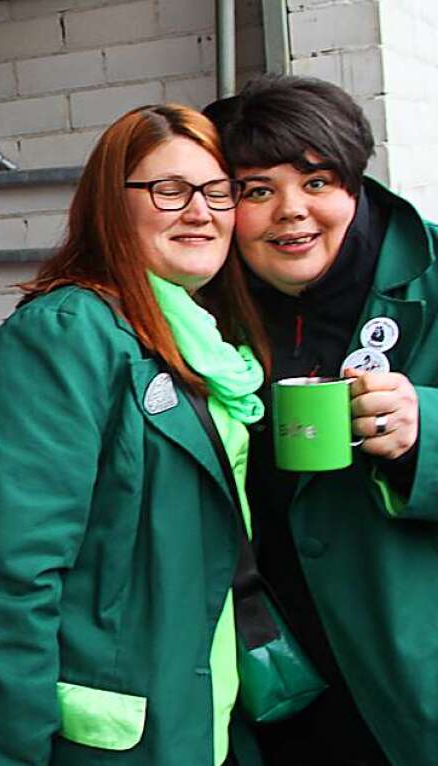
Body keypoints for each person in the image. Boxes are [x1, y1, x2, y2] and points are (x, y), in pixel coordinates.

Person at [0, 104, 271, 766]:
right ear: (109, 206)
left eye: (216, 191)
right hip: (115, 736)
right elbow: (7, 580)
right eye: (169, 190)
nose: (199, 211)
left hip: (203, 706)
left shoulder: (205, 342)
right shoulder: (64, 338)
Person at [208, 75, 438, 766]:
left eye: (317, 181)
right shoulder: (202, 303)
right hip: (264, 662)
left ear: (355, 185)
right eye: (257, 190)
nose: (291, 213)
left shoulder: (427, 277)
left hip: (406, 659)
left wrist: (423, 434)